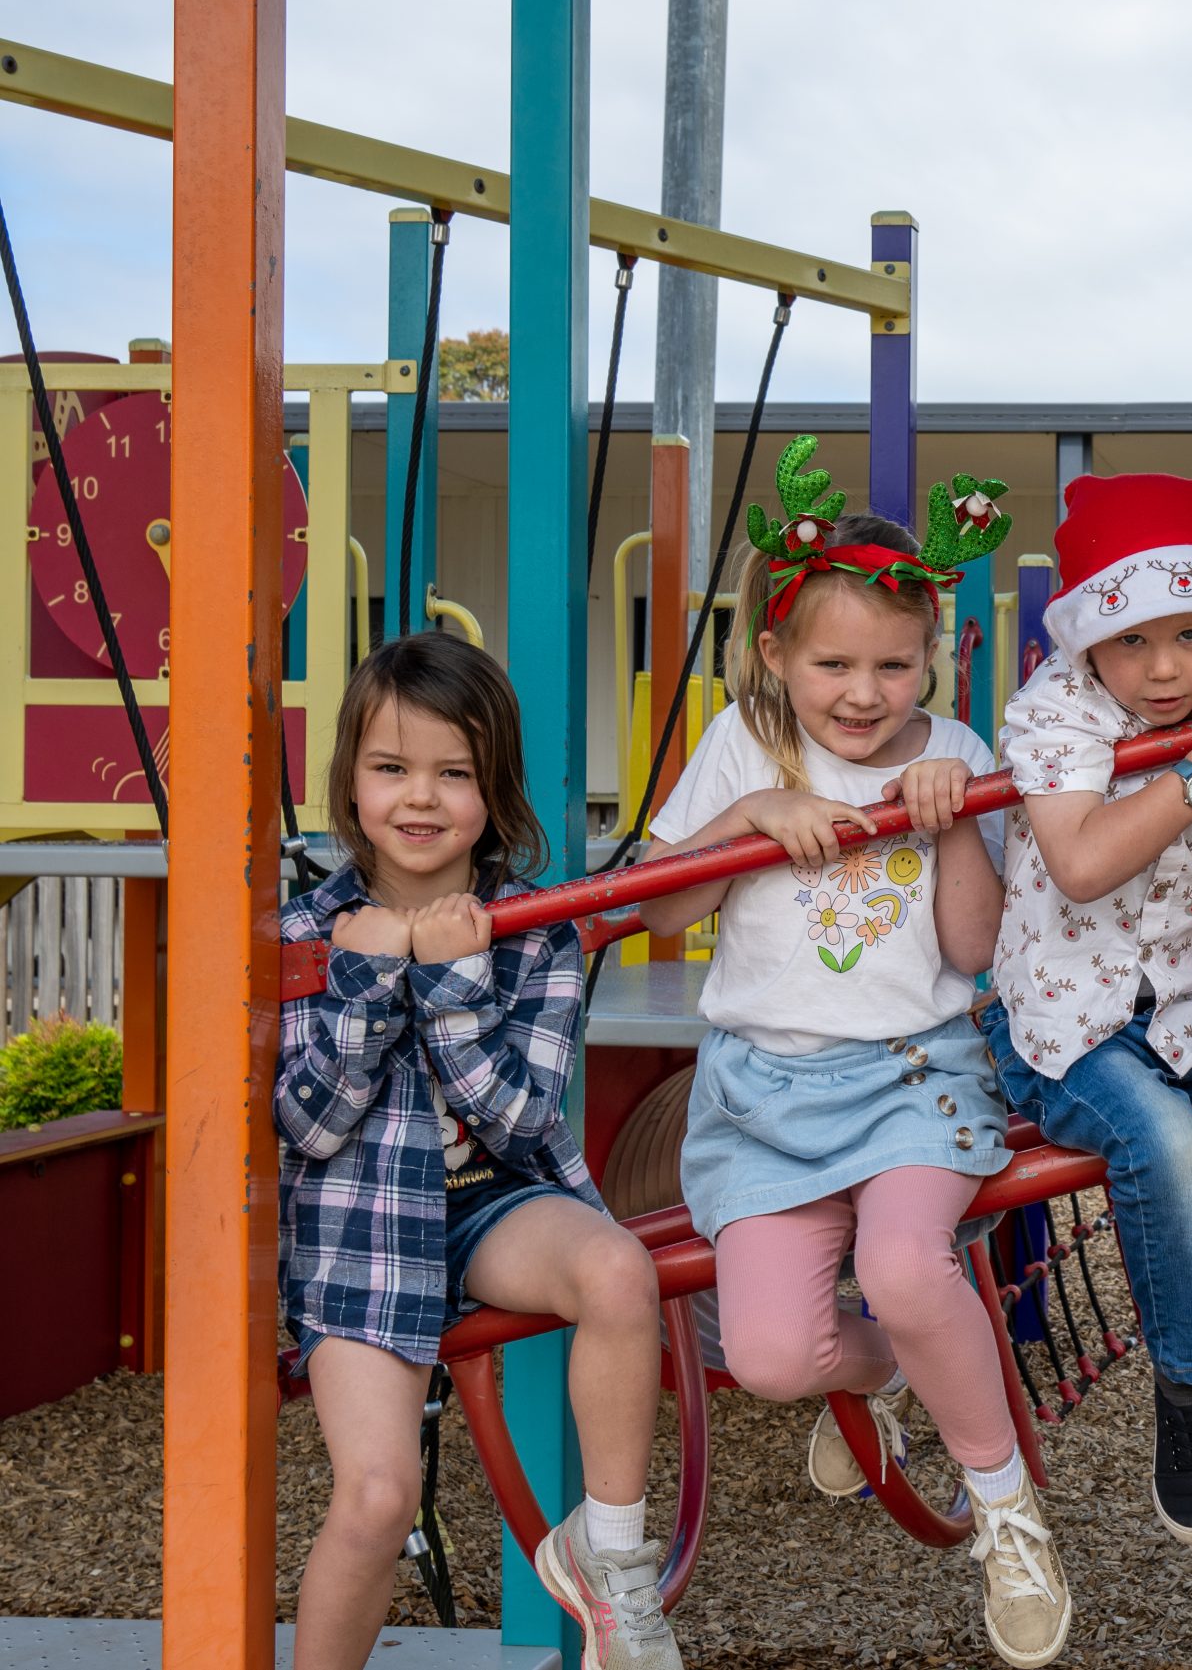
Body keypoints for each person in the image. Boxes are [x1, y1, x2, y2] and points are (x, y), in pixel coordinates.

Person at [636, 443, 1067, 1668]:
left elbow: (973, 945)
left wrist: (961, 815)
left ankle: (1004, 1510)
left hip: (909, 1079)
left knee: (904, 1265)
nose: (865, 692)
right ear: (776, 657)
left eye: (894, 662)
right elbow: (659, 915)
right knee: (770, 1357)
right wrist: (748, 820)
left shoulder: (960, 750)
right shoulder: (742, 743)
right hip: (766, 1097)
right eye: (833, 663)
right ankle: (894, 1377)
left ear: (933, 655)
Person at [276, 633, 679, 1670]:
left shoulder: (530, 930)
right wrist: (365, 984)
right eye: (391, 768)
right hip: (357, 1228)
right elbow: (310, 1126)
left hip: (494, 1202)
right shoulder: (304, 931)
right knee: (374, 1498)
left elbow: (521, 1122)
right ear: (349, 784)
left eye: (453, 773)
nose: (421, 798)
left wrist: (452, 988)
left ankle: (612, 1553)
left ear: (492, 792)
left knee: (617, 1269)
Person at [982, 473, 1192, 1546]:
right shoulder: (1055, 713)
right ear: (1089, 648)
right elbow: (1076, 863)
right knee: (1165, 1148)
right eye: (1133, 642)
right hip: (1067, 1027)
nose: (1165, 667)